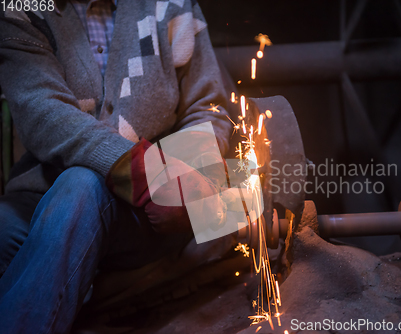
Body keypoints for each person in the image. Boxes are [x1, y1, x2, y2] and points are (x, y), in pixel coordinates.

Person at [0, 0, 232, 332]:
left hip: (142, 215)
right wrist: (145, 172)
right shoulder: (22, 8)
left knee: (81, 185)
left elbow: (208, 108)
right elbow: (43, 112)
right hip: (43, 194)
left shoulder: (171, 6)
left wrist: (181, 183)